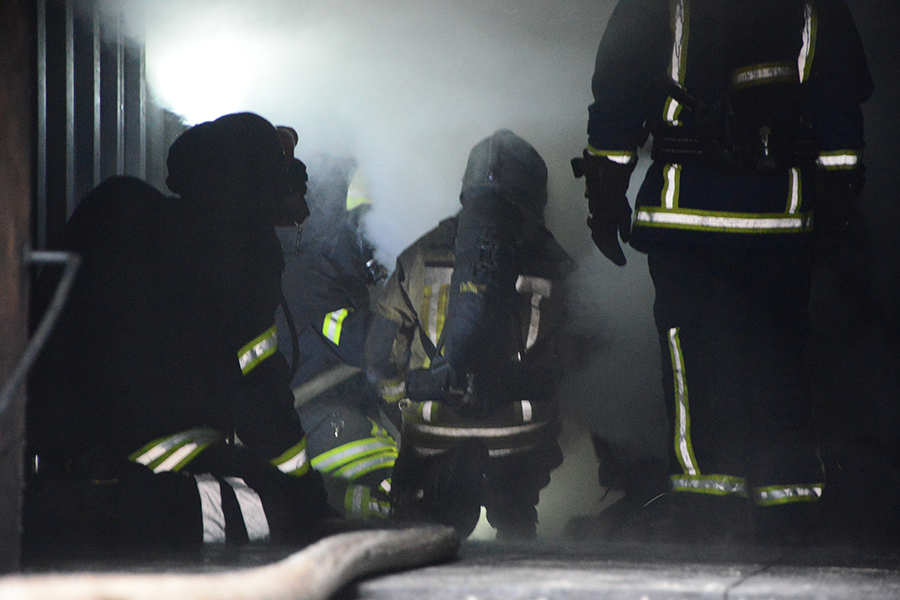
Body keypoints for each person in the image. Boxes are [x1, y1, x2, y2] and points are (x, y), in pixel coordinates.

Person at [578, 0, 872, 544]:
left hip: (686, 218)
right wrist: (836, 201)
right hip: (781, 218)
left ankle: (707, 508)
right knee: (780, 360)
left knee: (695, 361)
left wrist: (605, 195)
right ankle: (789, 509)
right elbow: (839, 100)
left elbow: (617, 90)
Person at [25, 112, 335, 555]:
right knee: (275, 508)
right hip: (142, 446)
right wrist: (302, 485)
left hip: (62, 438)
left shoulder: (142, 215)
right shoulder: (240, 249)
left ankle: (83, 500)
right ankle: (96, 514)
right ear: (257, 181)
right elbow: (258, 390)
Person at [366, 129, 573, 540]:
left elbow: (378, 356)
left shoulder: (419, 254)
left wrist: (403, 403)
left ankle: (422, 526)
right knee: (519, 498)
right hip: (521, 434)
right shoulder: (556, 262)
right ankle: (516, 519)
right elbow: (577, 356)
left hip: (432, 426)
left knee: (413, 517)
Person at [273, 139, 396, 521]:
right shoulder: (313, 281)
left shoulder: (313, 265)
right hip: (314, 419)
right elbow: (373, 345)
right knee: (398, 482)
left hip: (319, 412)